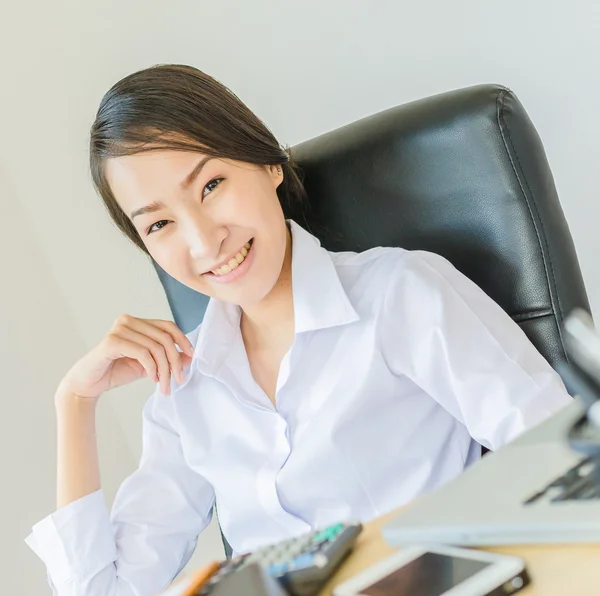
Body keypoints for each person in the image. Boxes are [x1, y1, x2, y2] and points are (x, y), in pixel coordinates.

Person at [26, 64, 571, 596]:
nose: (202, 241)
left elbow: (560, 461)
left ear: (268, 164)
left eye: (211, 184)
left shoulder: (400, 295)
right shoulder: (186, 389)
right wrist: (74, 402)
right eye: (159, 224)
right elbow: (108, 589)